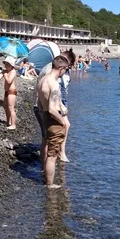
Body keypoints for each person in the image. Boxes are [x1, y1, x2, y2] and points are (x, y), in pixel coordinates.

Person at [37, 56, 70, 188]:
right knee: (53, 155)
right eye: (65, 69)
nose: (65, 72)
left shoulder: (42, 80)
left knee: (49, 150)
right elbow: (52, 109)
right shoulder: (54, 83)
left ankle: (46, 178)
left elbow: (40, 103)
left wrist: (61, 106)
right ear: (61, 68)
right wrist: (62, 121)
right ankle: (50, 184)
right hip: (53, 120)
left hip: (45, 116)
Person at [2, 57, 18, 129]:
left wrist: (5, 74)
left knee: (11, 108)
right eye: (5, 63)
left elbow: (9, 81)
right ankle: (8, 121)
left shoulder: (13, 71)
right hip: (7, 91)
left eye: (8, 64)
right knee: (6, 107)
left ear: (12, 65)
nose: (6, 65)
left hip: (11, 92)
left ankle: (13, 124)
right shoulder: (6, 71)